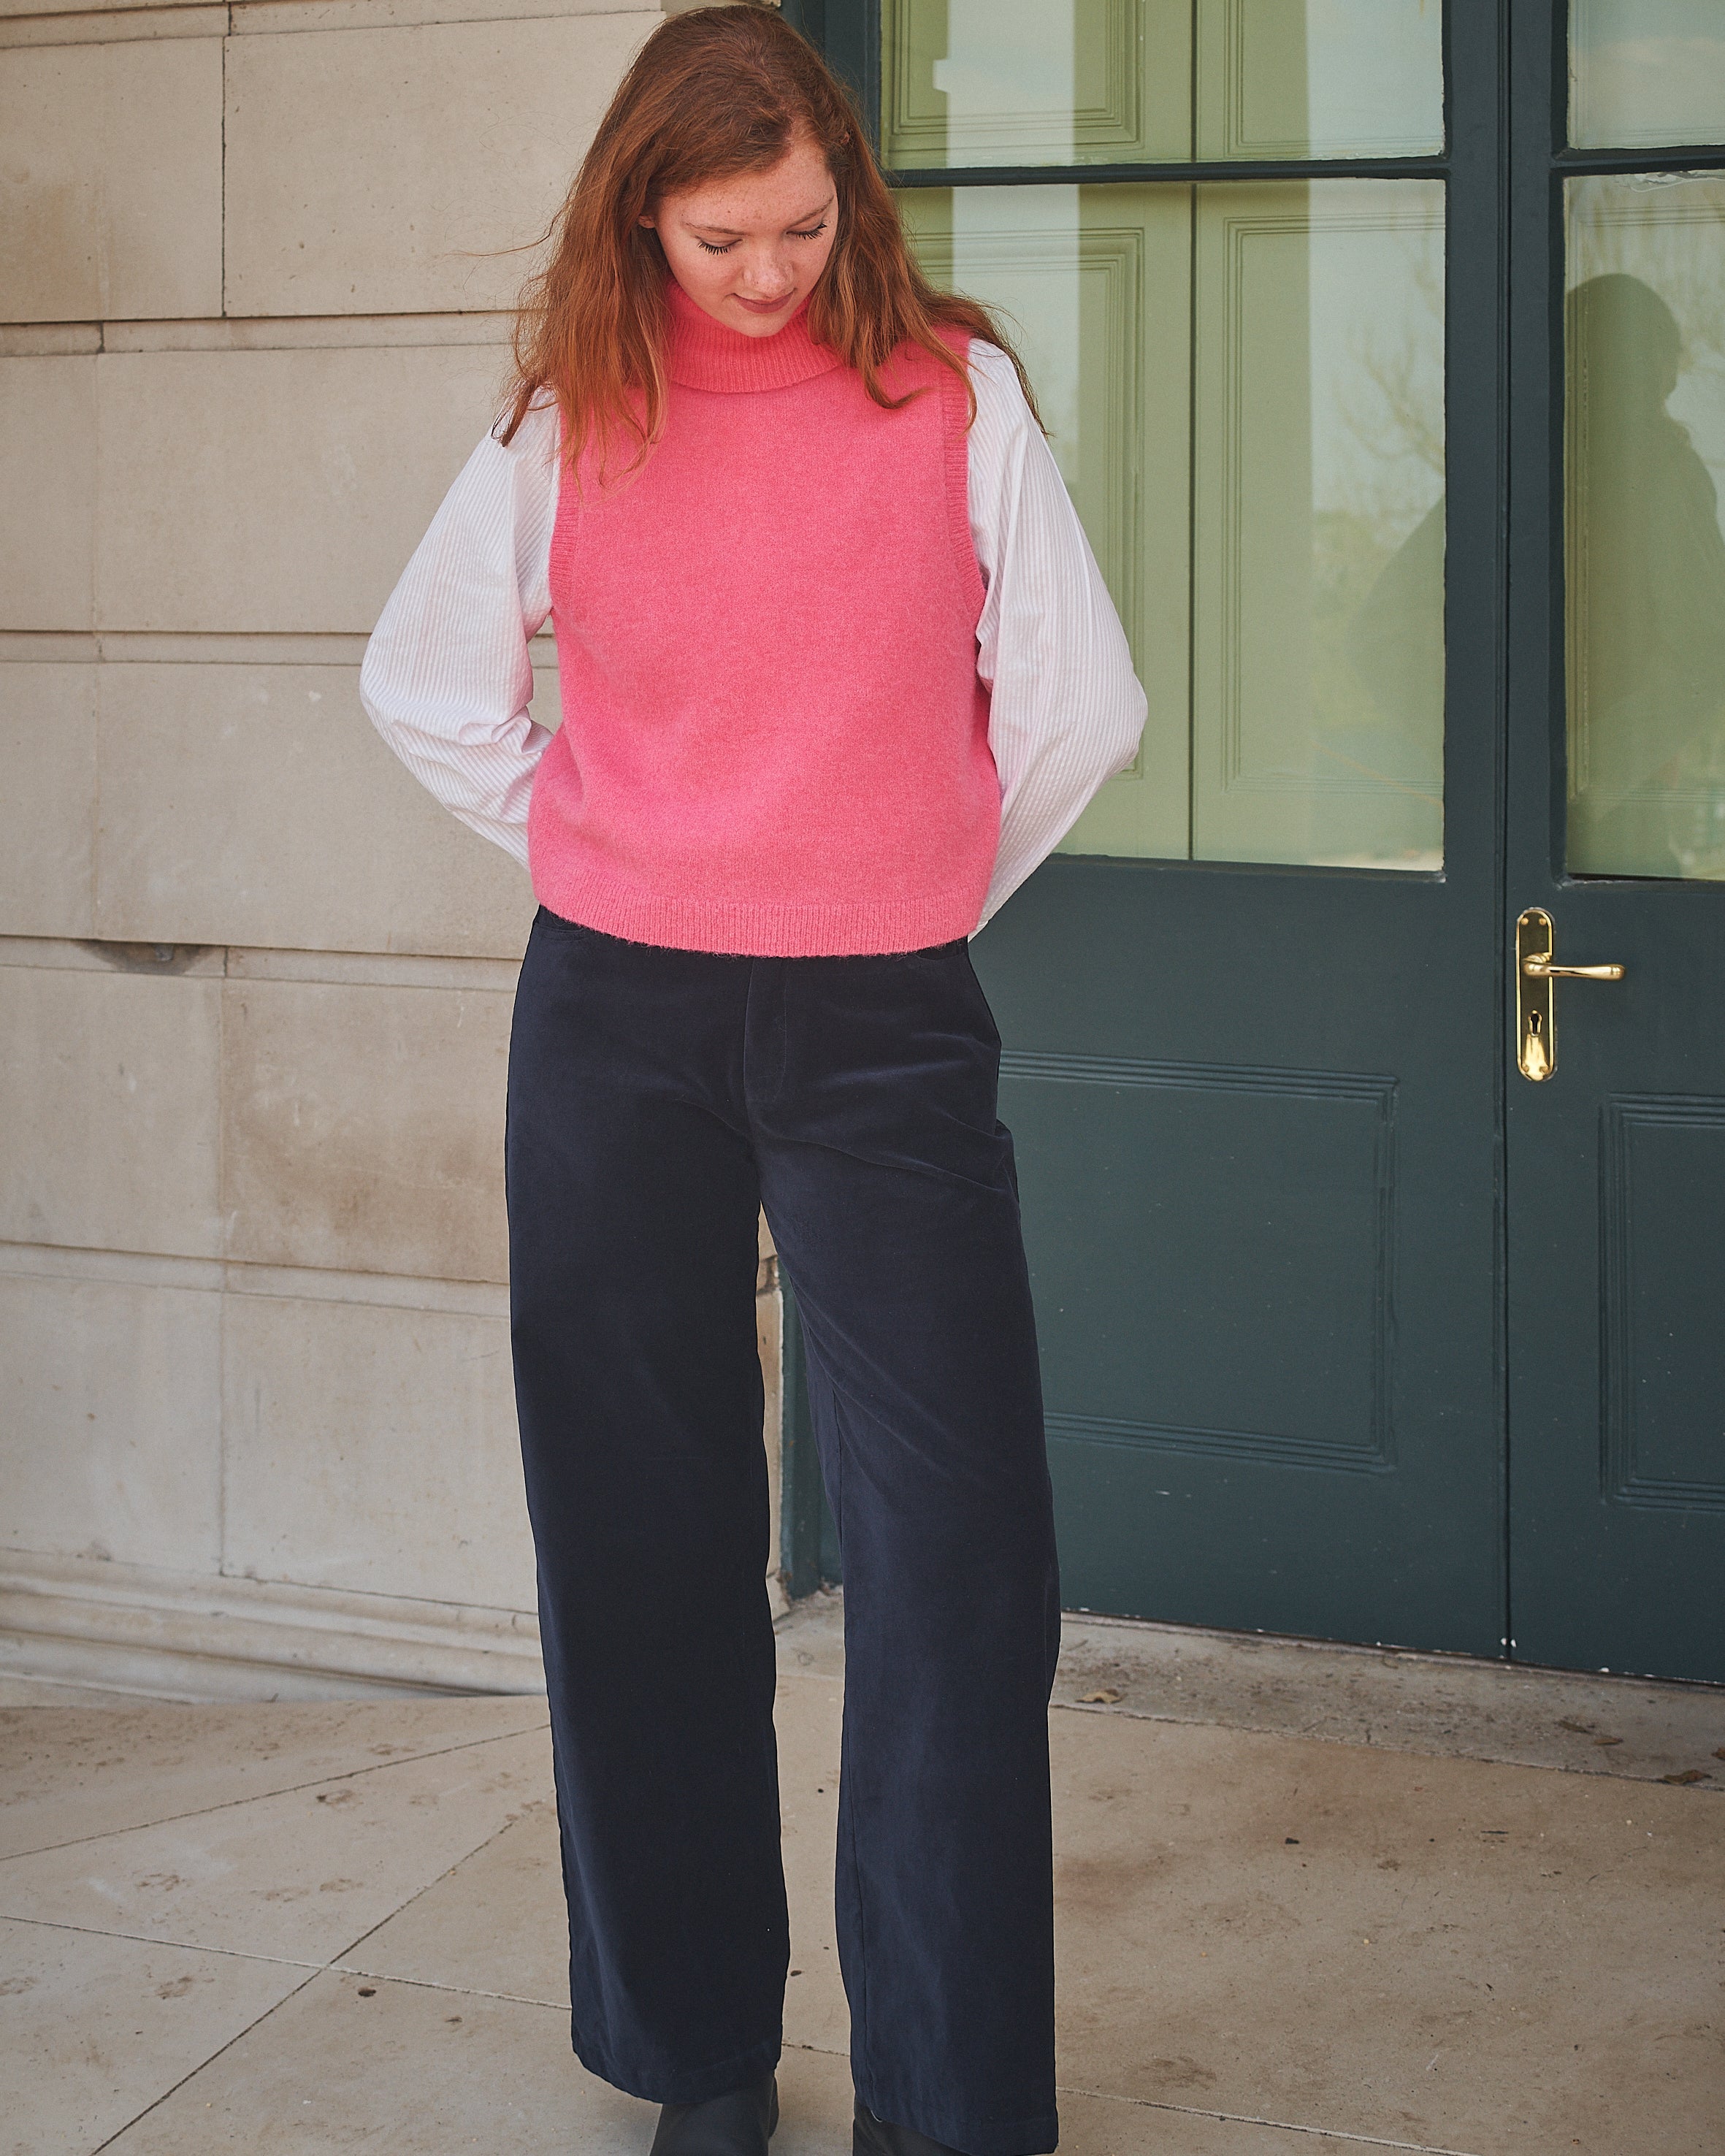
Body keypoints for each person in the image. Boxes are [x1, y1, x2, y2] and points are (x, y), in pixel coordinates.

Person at [359, 9, 1144, 2153]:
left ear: (848, 198)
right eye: (723, 236)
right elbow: (422, 688)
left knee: (958, 1553)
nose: (770, 269)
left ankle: (952, 2100)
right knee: (640, 1535)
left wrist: (899, 875)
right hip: (613, 1020)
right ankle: (696, 2055)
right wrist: (610, 845)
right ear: (645, 214)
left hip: (879, 1020)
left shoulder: (950, 394)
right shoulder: (567, 423)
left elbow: (1081, 706)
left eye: (802, 223)